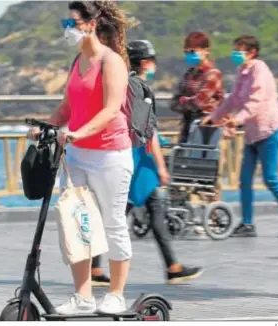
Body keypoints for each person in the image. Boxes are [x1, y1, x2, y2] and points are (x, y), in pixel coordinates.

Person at [28, 1, 134, 315]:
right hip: (77, 155)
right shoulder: (78, 61)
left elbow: (111, 109)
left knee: (113, 223)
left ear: (91, 24)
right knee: (77, 223)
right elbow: (68, 107)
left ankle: (116, 293)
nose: (68, 28)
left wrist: (78, 132)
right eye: (66, 22)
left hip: (111, 155)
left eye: (72, 22)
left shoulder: (111, 61)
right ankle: (83, 296)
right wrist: (47, 126)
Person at [91, 40, 203, 287]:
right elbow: (146, 131)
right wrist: (162, 166)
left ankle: (170, 266)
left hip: (125, 156)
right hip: (137, 160)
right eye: (152, 60)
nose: (154, 65)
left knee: (139, 210)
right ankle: (97, 268)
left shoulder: (120, 83)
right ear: (144, 63)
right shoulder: (140, 88)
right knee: (127, 211)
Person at [201, 35, 278, 239]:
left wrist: (237, 120)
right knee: (244, 179)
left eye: (239, 49)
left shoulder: (259, 69)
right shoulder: (242, 71)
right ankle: (247, 224)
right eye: (235, 49)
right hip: (252, 133)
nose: (235, 53)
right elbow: (234, 99)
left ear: (252, 52)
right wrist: (214, 117)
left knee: (270, 178)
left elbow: (257, 101)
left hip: (268, 130)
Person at [170, 31, 226, 144]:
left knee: (200, 159)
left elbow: (199, 102)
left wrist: (183, 100)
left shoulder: (212, 74)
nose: (189, 55)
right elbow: (173, 103)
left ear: (206, 51)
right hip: (187, 125)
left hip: (205, 127)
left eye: (192, 51)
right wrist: (187, 102)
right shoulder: (188, 74)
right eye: (186, 52)